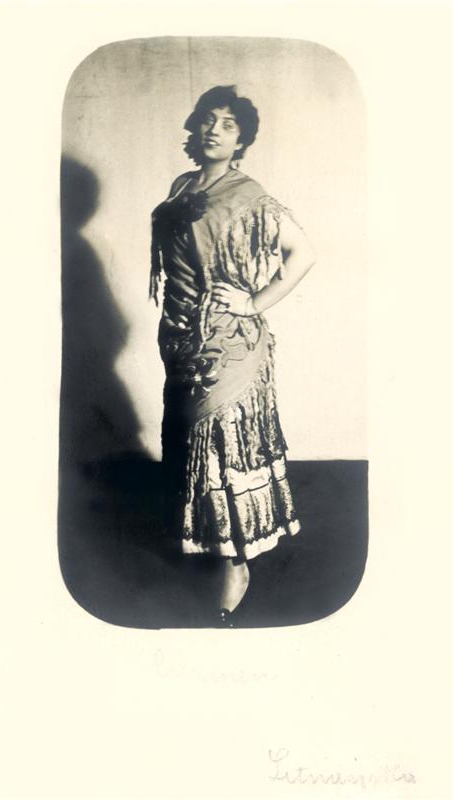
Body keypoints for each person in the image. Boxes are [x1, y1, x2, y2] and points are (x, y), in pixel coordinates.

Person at [150, 85, 315, 627]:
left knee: (220, 449)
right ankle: (205, 540)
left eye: (227, 124)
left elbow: (303, 253)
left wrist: (252, 301)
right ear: (194, 128)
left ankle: (236, 565)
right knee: (188, 447)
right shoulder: (181, 186)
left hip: (229, 340)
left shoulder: (249, 195)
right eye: (207, 119)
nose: (213, 130)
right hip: (181, 337)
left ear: (241, 140)